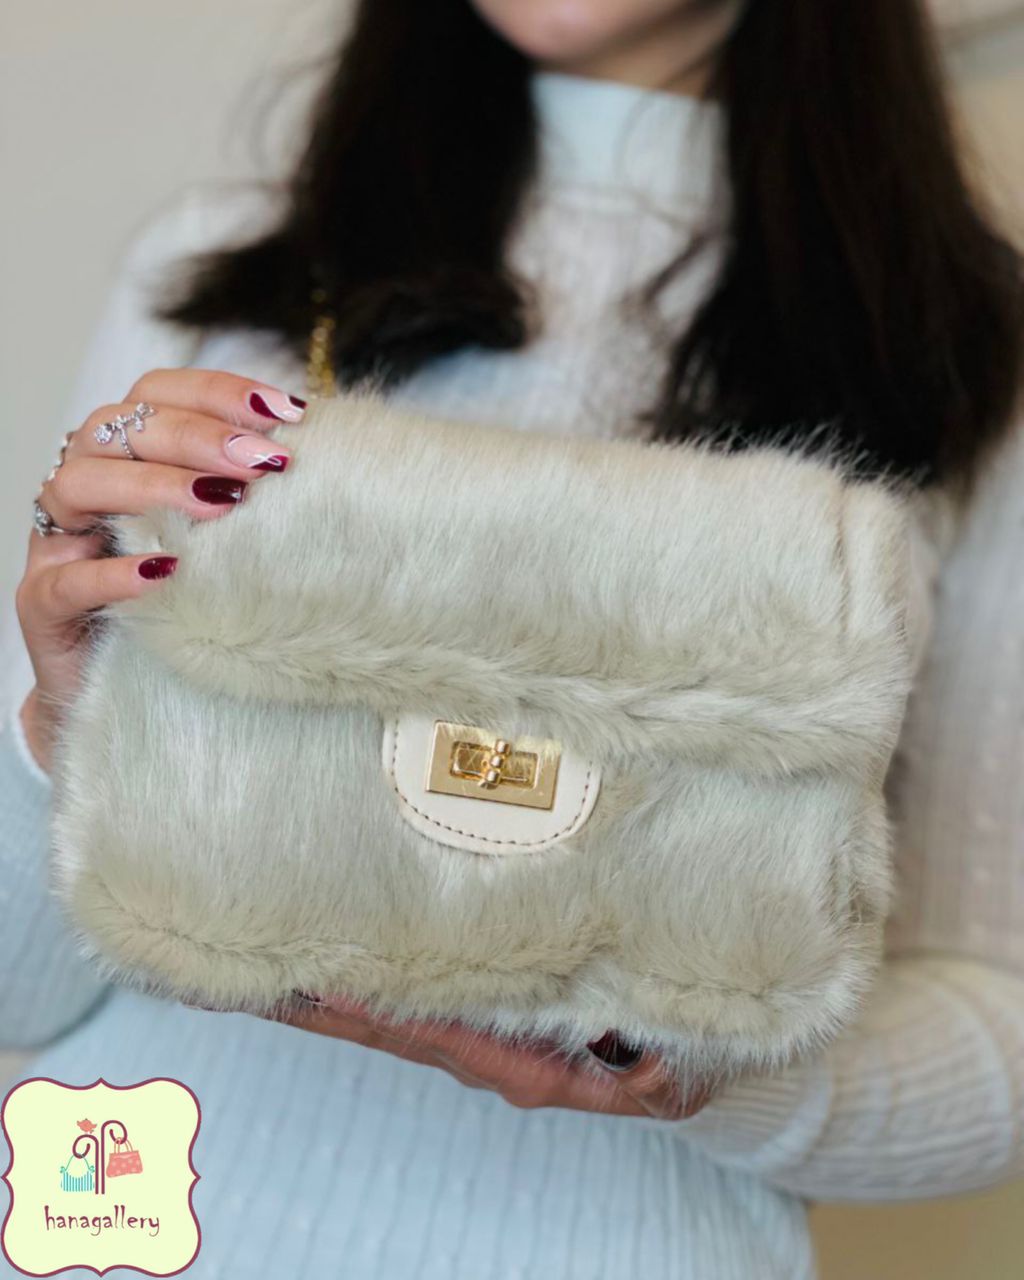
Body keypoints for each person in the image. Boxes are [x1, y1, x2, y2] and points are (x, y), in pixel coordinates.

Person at [5, 2, 1024, 1277]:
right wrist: (59, 732)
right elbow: (20, 989)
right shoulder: (229, 264)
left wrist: (699, 1073)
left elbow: (997, 1015)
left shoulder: (961, 345)